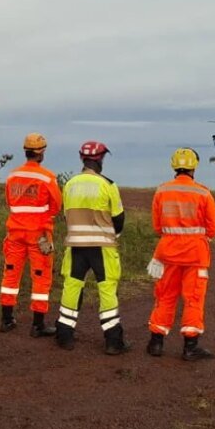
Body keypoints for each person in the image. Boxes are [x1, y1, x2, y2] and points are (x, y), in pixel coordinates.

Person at [55, 140, 129, 355]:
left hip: (76, 245)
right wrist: (112, 235)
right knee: (106, 289)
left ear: (82, 158)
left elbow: (66, 214)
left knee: (72, 285)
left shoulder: (69, 184)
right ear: (101, 159)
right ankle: (113, 340)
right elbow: (119, 218)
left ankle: (64, 335)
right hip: (102, 246)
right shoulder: (108, 185)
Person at [146, 147, 215, 361]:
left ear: (174, 166)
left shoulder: (161, 191)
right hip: (195, 255)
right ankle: (190, 346)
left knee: (164, 296)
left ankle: (156, 342)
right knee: (193, 299)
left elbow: (157, 227)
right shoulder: (204, 193)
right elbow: (212, 228)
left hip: (167, 253)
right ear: (194, 167)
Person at [0, 133, 63, 336]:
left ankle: (6, 320)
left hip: (14, 234)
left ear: (25, 151)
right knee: (41, 277)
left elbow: (10, 203)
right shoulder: (47, 177)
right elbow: (56, 206)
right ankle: (38, 325)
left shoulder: (12, 175)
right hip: (39, 236)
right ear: (42, 152)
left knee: (10, 276)